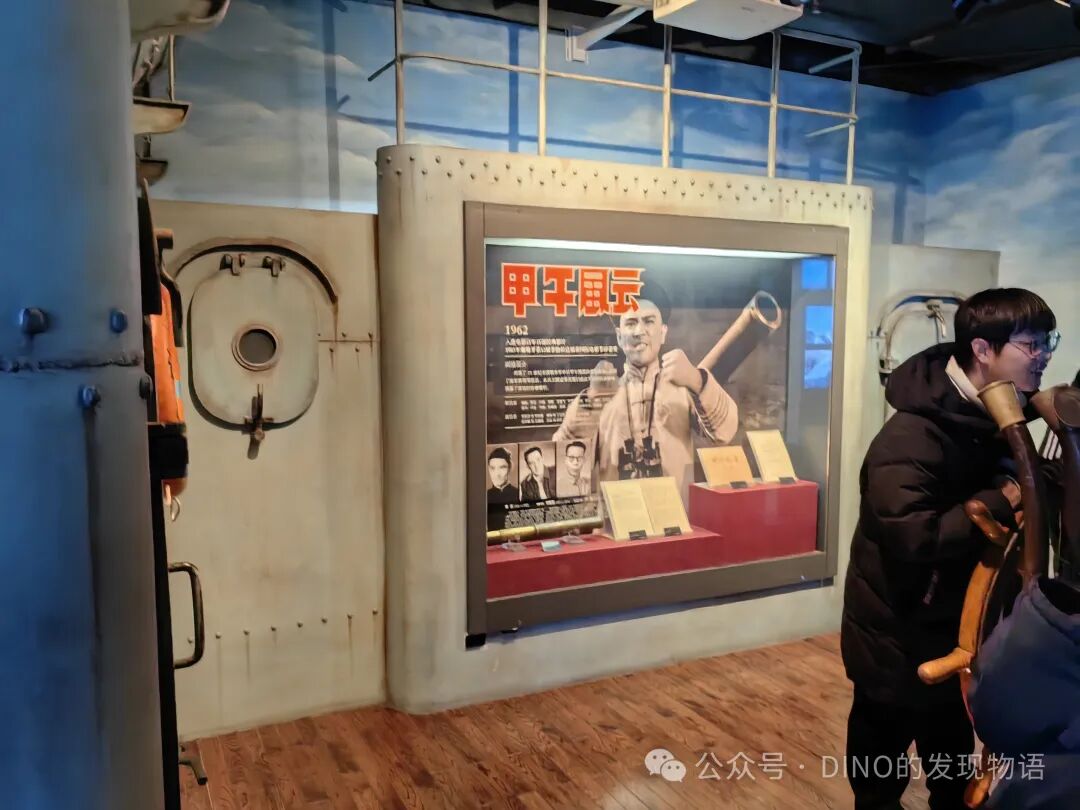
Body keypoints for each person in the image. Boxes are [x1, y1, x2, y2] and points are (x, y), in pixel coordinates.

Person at [841, 287, 1058, 810]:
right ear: (982, 349)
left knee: (954, 769)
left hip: (956, 628)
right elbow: (913, 535)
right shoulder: (910, 437)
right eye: (1030, 344)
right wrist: (1004, 499)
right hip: (896, 634)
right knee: (879, 772)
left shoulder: (995, 414)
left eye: (1047, 342)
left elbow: (1029, 478)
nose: (1043, 355)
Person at [553, 280, 738, 499]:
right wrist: (590, 402)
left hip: (674, 513)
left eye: (649, 321)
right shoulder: (600, 397)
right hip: (617, 516)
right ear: (619, 336)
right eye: (631, 323)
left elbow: (725, 433)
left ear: (663, 332)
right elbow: (563, 464)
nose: (639, 331)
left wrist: (697, 380)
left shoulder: (685, 389)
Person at [486, 447, 519, 530]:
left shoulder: (520, 494)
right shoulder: (484, 497)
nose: (497, 474)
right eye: (492, 468)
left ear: (509, 468)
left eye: (502, 467)